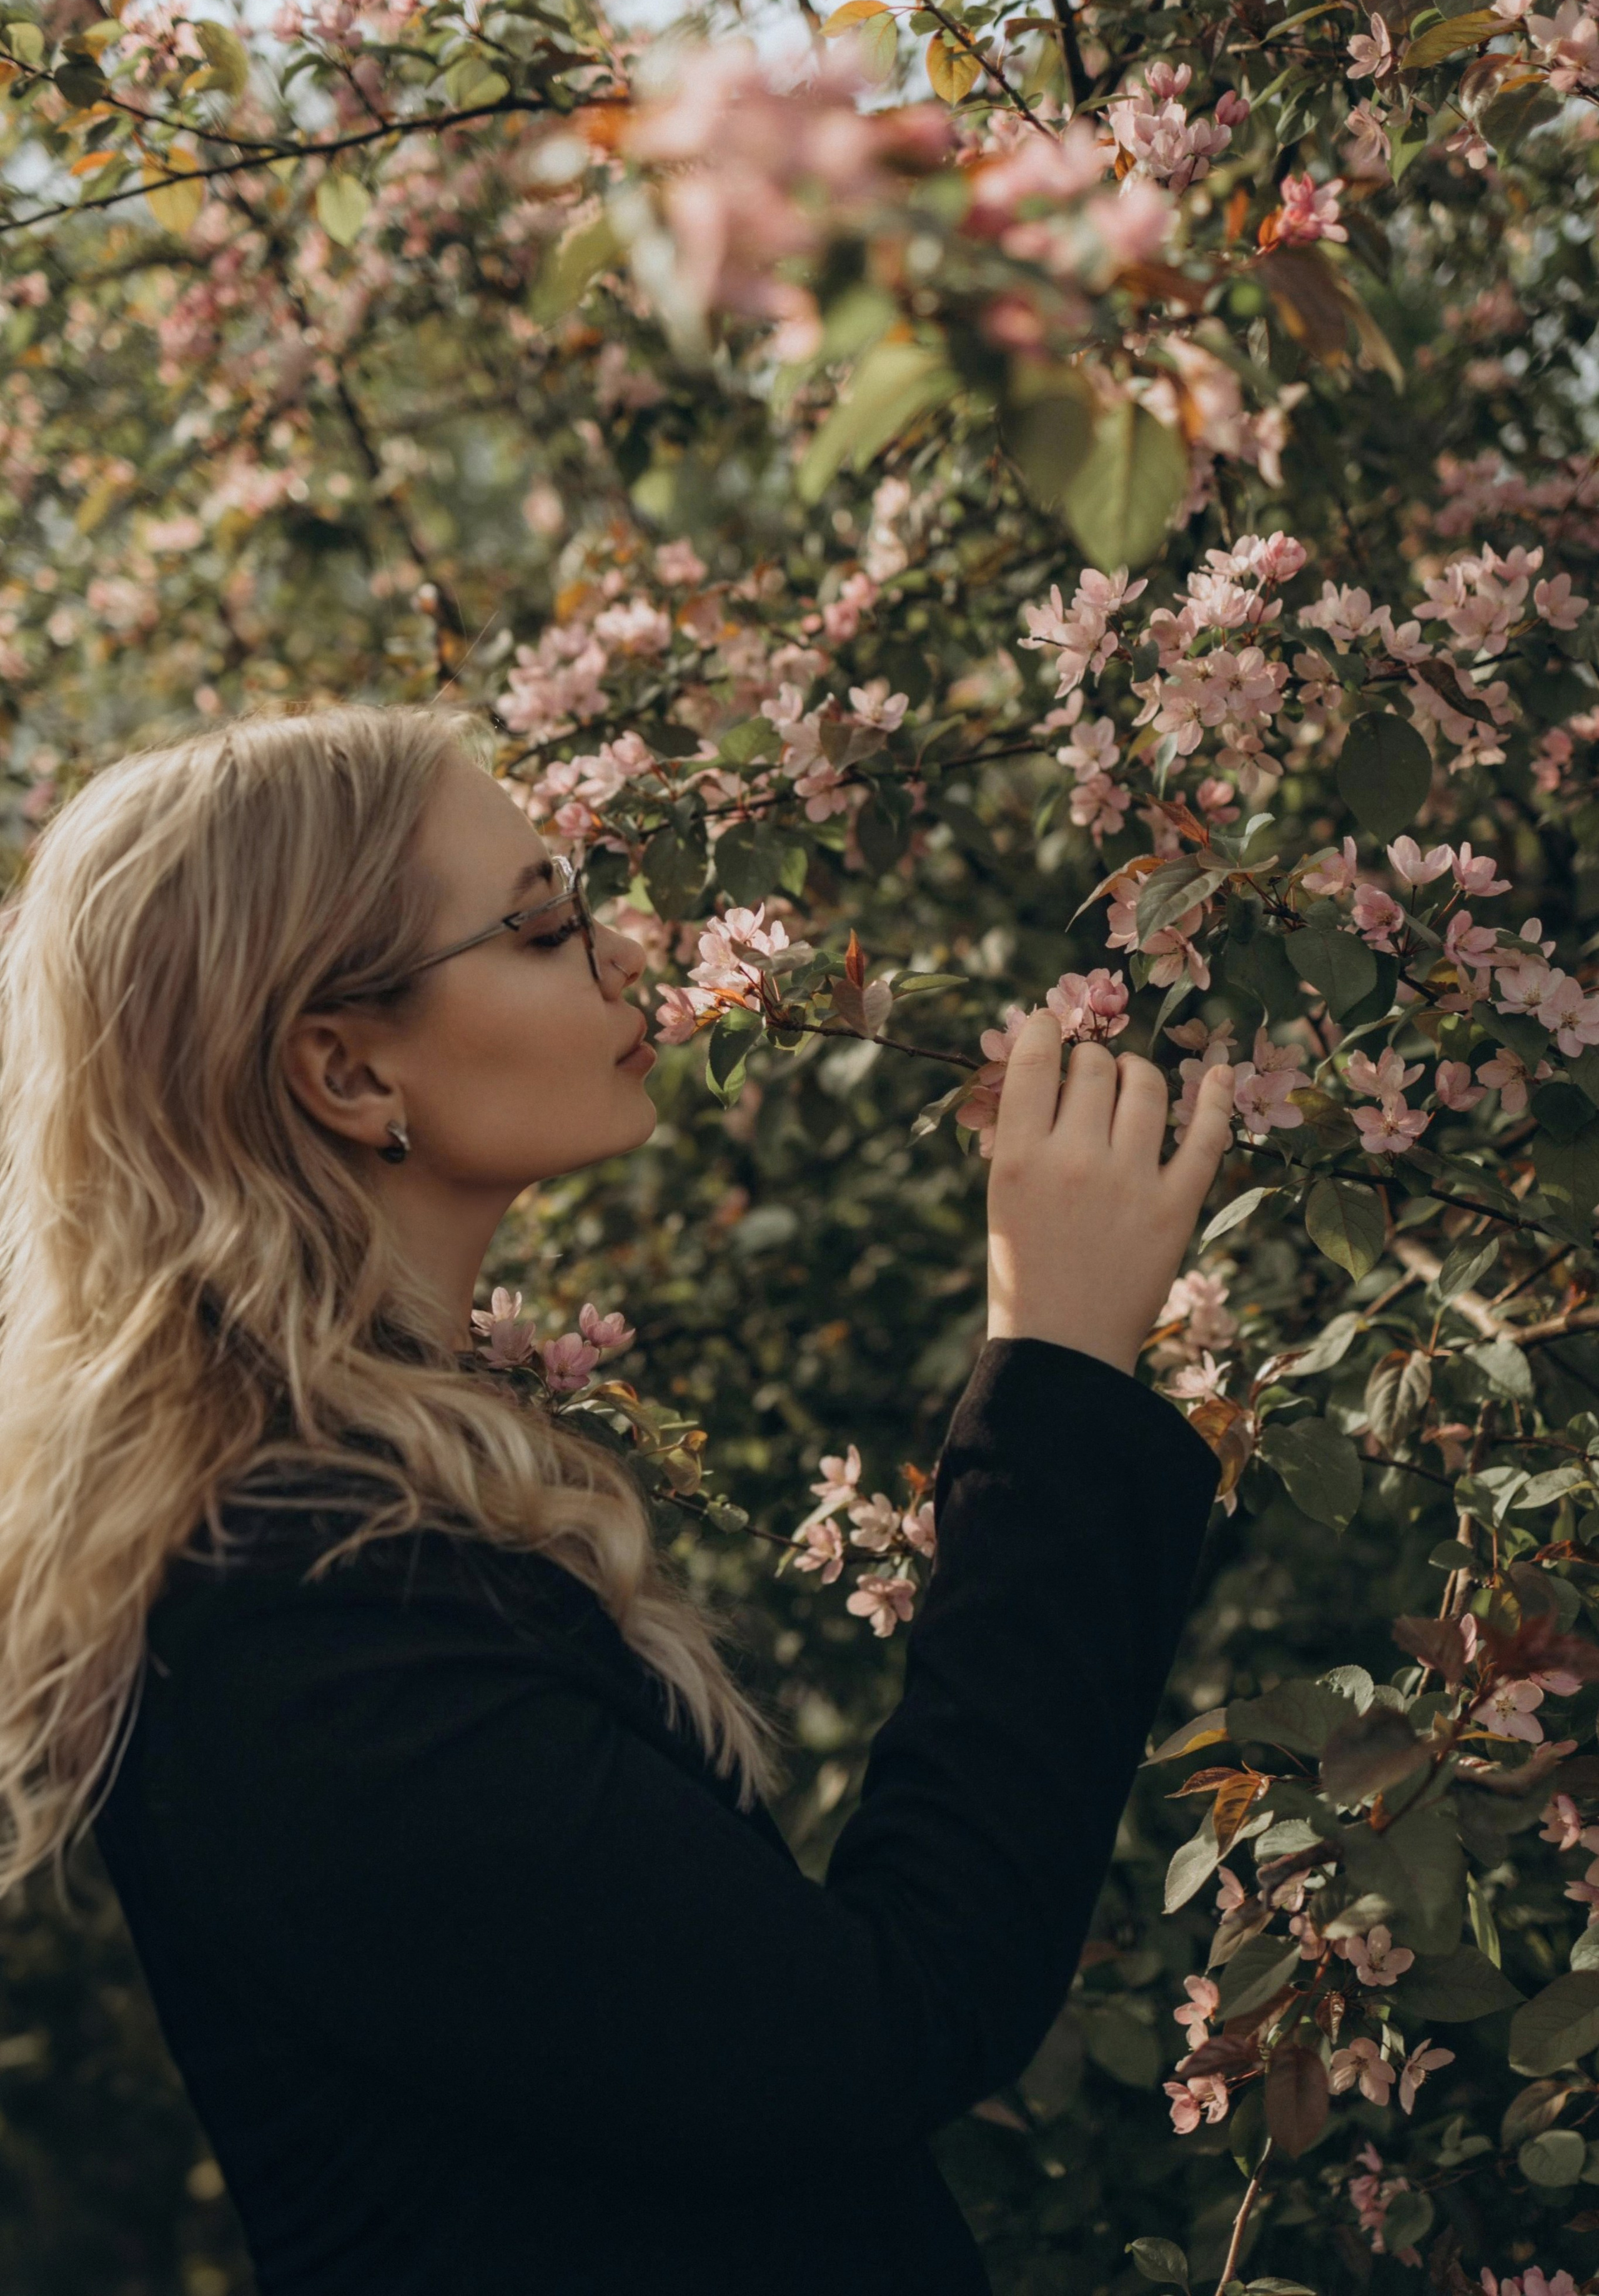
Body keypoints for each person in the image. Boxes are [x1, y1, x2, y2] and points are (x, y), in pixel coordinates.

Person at [0, 704, 1235, 2295]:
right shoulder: (291, 1602)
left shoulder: (364, 1504)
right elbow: (867, 2031)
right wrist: (1056, 1376)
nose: (617, 948)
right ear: (343, 1064)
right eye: (536, 925)